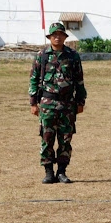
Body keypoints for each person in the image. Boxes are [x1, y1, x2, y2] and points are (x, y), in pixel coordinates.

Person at [29, 23, 87, 184]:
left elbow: (79, 80)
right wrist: (33, 103)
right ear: (49, 37)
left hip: (67, 104)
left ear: (65, 37)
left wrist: (80, 101)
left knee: (65, 140)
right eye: (54, 34)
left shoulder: (72, 56)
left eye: (61, 34)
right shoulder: (42, 55)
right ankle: (48, 172)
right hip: (47, 103)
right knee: (46, 138)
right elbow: (33, 79)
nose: (57, 37)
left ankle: (62, 172)